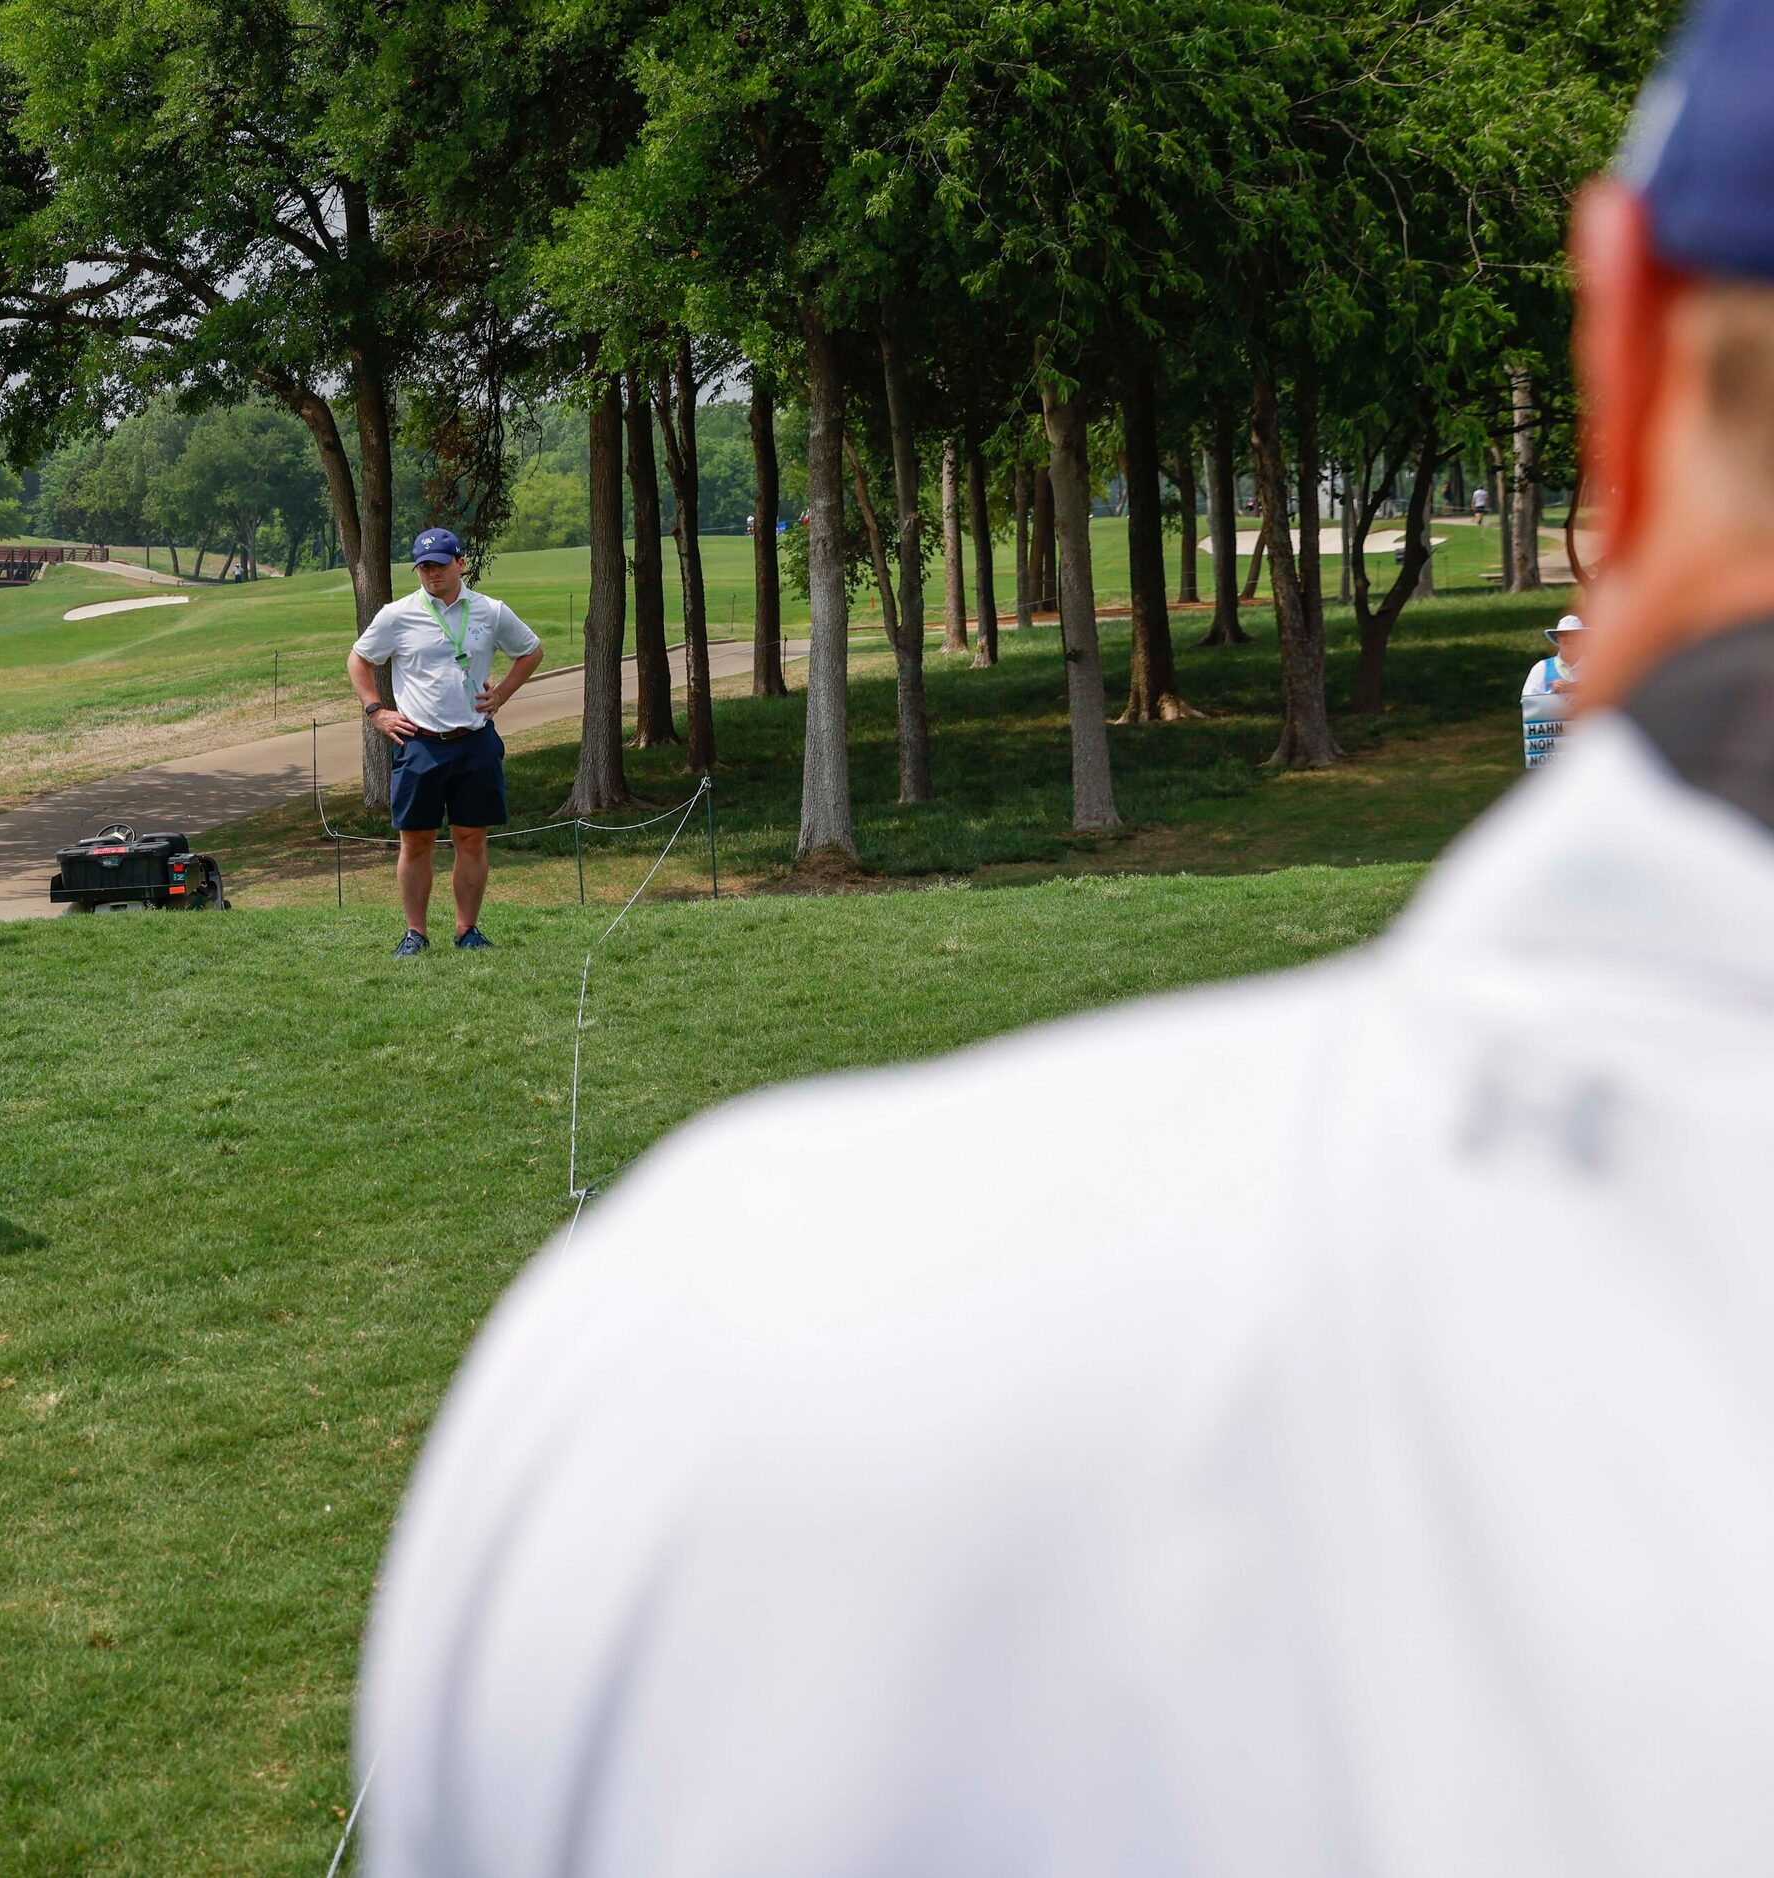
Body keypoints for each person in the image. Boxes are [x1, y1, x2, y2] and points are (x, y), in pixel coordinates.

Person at [357, 5, 1774, 1868]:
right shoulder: (740, 1344)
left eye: (464, 563)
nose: (453, 575)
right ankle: (423, 941)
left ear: (1624, 336)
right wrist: (401, 712)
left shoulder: (740, 1365)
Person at [346, 528, 542, 957]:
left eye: (439, 564)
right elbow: (359, 658)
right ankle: (415, 933)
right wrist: (376, 711)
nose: (432, 574)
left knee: (471, 838)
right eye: (424, 567)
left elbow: (530, 650)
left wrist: (503, 692)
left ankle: (466, 930)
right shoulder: (398, 615)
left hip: (474, 741)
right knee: (416, 840)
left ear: (461, 563)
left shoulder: (490, 611)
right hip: (419, 743)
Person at [1526, 612, 1589, 695]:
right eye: (1564, 634)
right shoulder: (1541, 668)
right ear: (1557, 638)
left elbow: (1609, 701)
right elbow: (1529, 704)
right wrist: (1551, 693)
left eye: (1575, 634)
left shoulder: (1597, 668)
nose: (1569, 638)